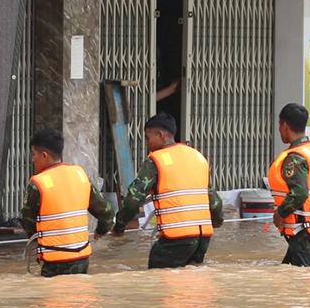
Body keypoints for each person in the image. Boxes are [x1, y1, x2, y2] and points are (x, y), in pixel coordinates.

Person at [112, 113, 223, 268]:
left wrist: (119, 226)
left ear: (161, 135)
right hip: (203, 238)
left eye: (147, 138)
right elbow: (215, 203)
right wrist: (217, 222)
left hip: (176, 238)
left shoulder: (156, 160)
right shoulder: (197, 157)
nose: (147, 143)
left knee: (159, 283)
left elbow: (133, 200)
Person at [18, 128, 114, 277]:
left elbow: (28, 222)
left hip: (55, 261)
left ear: (44, 155)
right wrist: (101, 231)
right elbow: (107, 212)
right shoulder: (80, 175)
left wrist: (40, 245)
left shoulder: (38, 183)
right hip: (82, 258)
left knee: (53, 299)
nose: (32, 160)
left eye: (33, 154)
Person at [268, 102, 310, 266]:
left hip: (305, 231)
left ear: (284, 125)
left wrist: (280, 214)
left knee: (304, 281)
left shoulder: (294, 158)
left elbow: (299, 193)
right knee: (289, 272)